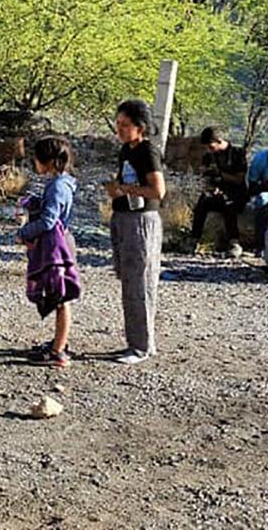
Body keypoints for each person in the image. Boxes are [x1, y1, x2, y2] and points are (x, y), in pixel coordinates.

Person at [104, 99, 166, 365]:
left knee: (140, 280)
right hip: (124, 217)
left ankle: (141, 346)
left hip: (141, 220)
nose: (120, 129)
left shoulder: (147, 151)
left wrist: (126, 190)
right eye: (118, 124)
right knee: (129, 279)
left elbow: (157, 191)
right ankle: (137, 342)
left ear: (140, 127)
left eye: (125, 125)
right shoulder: (126, 151)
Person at [17, 136, 80, 368]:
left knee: (60, 298)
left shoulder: (56, 187)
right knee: (59, 296)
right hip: (61, 242)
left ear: (48, 161)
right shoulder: (62, 183)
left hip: (56, 248)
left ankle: (58, 351)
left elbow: (48, 221)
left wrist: (24, 233)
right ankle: (58, 343)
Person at [187, 126, 249, 256]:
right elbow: (207, 179)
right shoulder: (209, 157)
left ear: (219, 141)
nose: (209, 150)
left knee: (228, 203)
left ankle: (234, 242)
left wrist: (220, 174)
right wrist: (210, 185)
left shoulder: (238, 153)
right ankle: (193, 239)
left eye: (210, 146)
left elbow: (239, 179)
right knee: (203, 201)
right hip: (217, 191)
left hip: (236, 193)